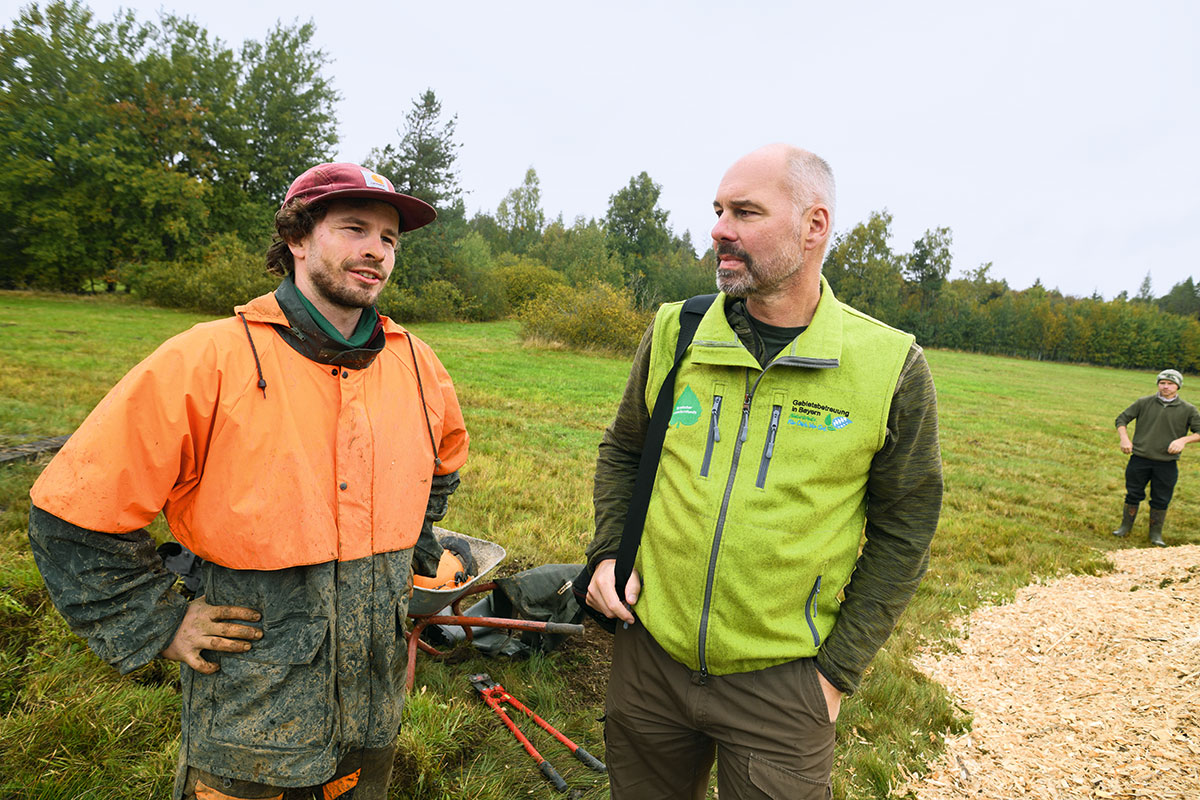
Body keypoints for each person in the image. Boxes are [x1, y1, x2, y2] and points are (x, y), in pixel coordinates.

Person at [27, 162, 469, 800]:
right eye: (354, 229)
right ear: (297, 238)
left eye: (390, 238)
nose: (377, 250)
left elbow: (441, 469)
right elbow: (71, 512)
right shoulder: (207, 359)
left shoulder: (419, 365)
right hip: (253, 714)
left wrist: (415, 543)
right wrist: (156, 620)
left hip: (373, 704)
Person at [584, 143, 942, 799]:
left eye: (746, 212)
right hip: (649, 659)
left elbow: (907, 526)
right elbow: (623, 450)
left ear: (815, 226)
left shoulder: (890, 365)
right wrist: (608, 554)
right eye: (719, 210)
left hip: (785, 683)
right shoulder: (677, 332)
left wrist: (835, 673)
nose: (721, 227)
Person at [1112, 368, 1200, 546]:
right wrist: (1124, 438)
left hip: (1166, 463)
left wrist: (1184, 440)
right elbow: (1121, 419)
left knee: (1161, 498)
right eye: (1162, 383)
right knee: (1133, 494)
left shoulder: (1188, 409)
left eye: (1170, 384)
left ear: (1178, 386)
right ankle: (1125, 528)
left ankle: (1155, 534)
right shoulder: (1144, 402)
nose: (1166, 387)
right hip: (1140, 459)